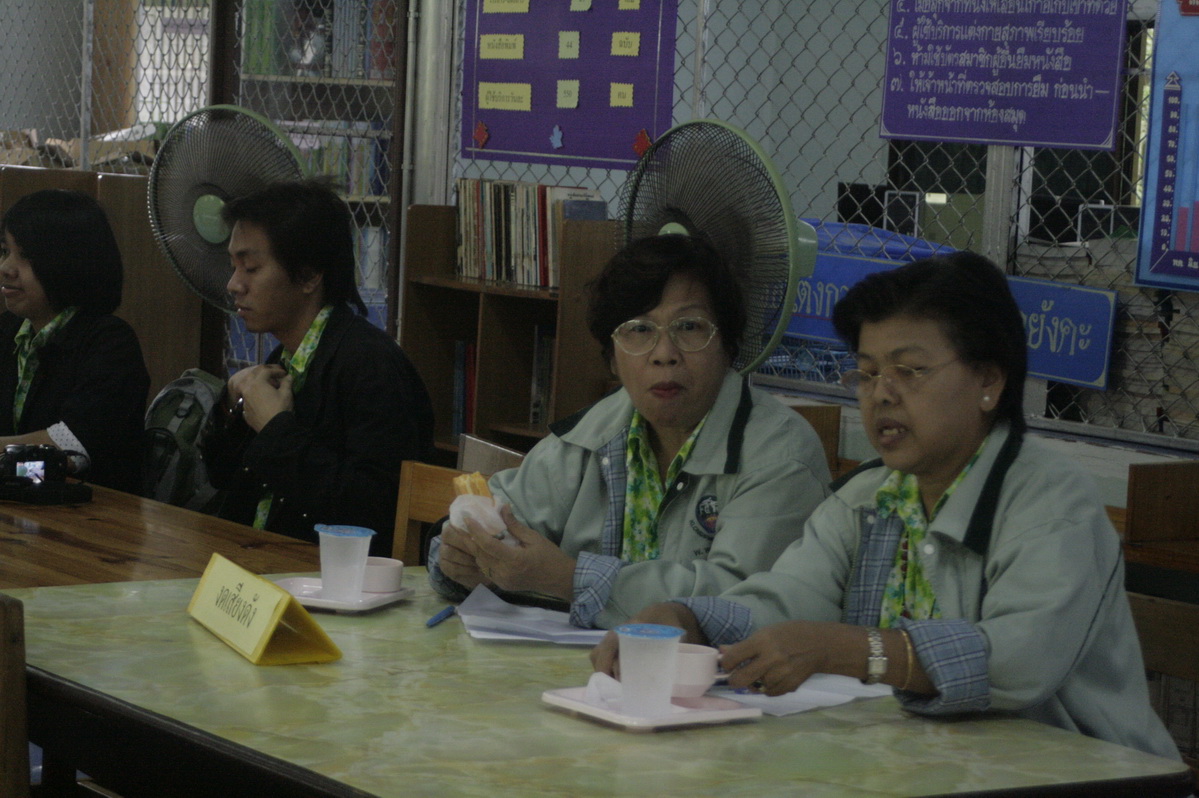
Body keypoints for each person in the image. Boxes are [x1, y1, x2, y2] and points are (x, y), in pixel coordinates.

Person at [592, 252, 1179, 759]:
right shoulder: (869, 498)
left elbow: (1019, 661)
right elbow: (789, 598)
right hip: (932, 768)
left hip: (1083, 773)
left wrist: (857, 650)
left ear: (989, 381)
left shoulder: (1051, 500)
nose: (882, 395)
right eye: (868, 374)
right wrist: (687, 620)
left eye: (910, 371)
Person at [428, 234, 831, 628]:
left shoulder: (780, 455)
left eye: (690, 327)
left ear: (728, 345)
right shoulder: (593, 433)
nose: (664, 354)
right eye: (639, 330)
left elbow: (741, 604)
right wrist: (461, 562)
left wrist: (569, 579)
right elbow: (500, 520)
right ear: (612, 357)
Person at [200, 179, 433, 557]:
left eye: (251, 268)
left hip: (328, 576)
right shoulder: (284, 360)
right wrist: (230, 404)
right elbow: (222, 478)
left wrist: (276, 429)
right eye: (233, 266)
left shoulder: (371, 365)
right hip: (259, 559)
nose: (234, 284)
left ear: (309, 276)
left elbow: (374, 510)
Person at [0, 189, 148, 492]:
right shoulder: (8, 329)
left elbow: (71, 448)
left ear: (69, 261)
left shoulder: (109, 343)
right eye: (4, 251)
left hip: (95, 512)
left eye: (25, 255)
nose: (5, 268)